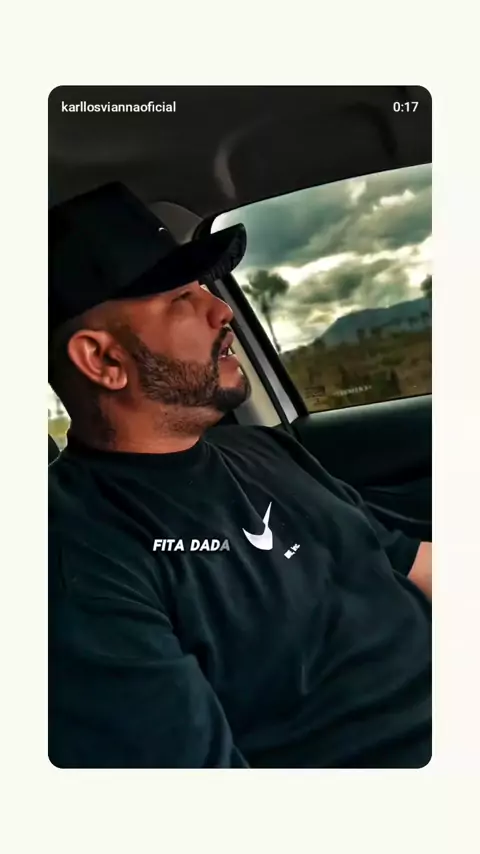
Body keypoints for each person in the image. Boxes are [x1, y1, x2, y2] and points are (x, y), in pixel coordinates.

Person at [48, 182, 432, 769]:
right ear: (103, 359)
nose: (221, 309)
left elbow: (412, 564)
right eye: (181, 298)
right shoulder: (75, 553)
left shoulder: (264, 450)